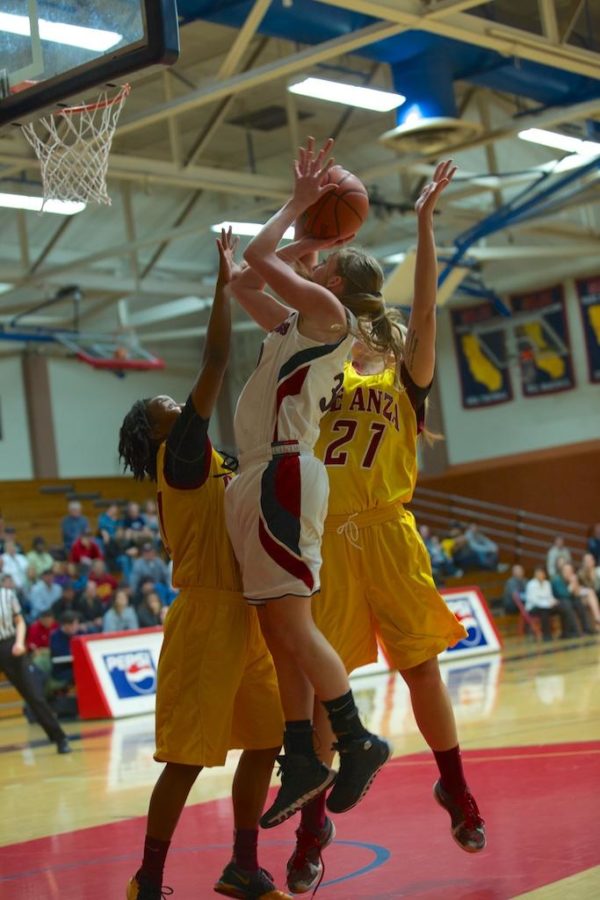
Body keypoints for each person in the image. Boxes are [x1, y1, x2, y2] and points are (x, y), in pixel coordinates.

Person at [282, 160, 485, 893]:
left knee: (422, 667)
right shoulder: (314, 354)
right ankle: (313, 830)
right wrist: (303, 227)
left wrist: (426, 223)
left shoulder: (404, 371)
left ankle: (455, 789)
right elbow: (270, 285)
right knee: (329, 703)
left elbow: (426, 312)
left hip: (390, 532)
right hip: (327, 537)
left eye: (333, 268)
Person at [118, 230, 290, 900]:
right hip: (204, 618)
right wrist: (224, 284)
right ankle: (148, 881)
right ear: (157, 434)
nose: (177, 404)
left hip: (246, 615)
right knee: (187, 763)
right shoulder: (181, 460)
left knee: (269, 737)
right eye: (166, 409)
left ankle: (242, 867)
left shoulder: (218, 461)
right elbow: (217, 359)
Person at [228, 136, 392, 831]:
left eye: (323, 260)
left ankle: (355, 739)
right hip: (264, 477)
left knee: (291, 623)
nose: (312, 261)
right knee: (277, 628)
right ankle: (301, 753)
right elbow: (244, 282)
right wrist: (304, 245)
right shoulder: (297, 325)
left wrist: (297, 210)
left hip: (286, 475)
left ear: (341, 287)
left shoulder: (332, 319)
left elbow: (259, 260)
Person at [0, 574, 71, 753]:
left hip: (9, 644)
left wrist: (18, 642)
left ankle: (60, 738)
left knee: (34, 695)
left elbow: (20, 621)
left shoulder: (7, 595)